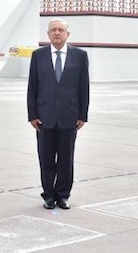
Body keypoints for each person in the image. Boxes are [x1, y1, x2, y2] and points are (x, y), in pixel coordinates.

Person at [27, 18, 90, 210]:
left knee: (66, 159)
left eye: (61, 30)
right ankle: (48, 195)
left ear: (67, 34)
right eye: (53, 30)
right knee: (46, 158)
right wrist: (32, 114)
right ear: (48, 34)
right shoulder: (38, 55)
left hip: (69, 117)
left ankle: (63, 195)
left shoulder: (80, 55)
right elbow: (33, 86)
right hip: (44, 117)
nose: (57, 33)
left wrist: (82, 114)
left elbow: (83, 87)